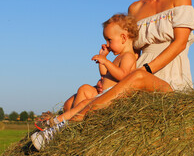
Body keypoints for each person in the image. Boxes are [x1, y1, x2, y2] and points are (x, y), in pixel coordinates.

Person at [31, 13, 139, 150]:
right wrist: (103, 58)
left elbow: (123, 76)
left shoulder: (128, 57)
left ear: (123, 38)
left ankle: (58, 126)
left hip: (113, 98)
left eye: (109, 40)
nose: (107, 44)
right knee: (83, 96)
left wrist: (106, 61)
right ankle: (61, 124)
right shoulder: (120, 57)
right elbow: (106, 75)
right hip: (105, 95)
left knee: (83, 104)